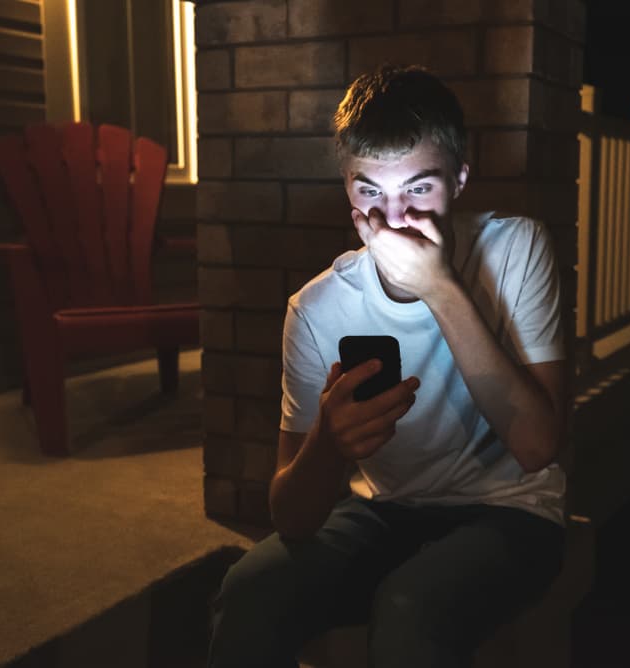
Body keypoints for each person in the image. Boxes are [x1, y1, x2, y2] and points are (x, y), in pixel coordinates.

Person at [207, 64, 569, 668]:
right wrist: (328, 442)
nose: (394, 218)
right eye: (371, 191)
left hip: (512, 510)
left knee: (411, 607)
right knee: (250, 588)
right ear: (348, 190)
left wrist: (441, 289)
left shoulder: (516, 250)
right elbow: (291, 517)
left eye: (419, 189)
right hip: (382, 508)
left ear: (459, 177)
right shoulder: (318, 307)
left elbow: (538, 445)